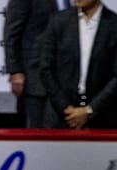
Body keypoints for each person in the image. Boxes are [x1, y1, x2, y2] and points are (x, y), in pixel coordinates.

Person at [37, 0, 117, 129]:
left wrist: (90, 110)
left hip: (102, 115)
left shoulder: (113, 24)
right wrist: (65, 107)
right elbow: (46, 67)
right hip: (60, 114)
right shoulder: (59, 21)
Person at [3, 0, 61, 128]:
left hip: (68, 79)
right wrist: (15, 71)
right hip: (35, 79)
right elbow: (12, 33)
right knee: (37, 132)